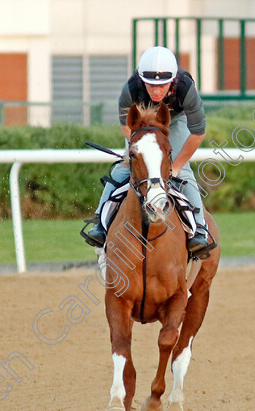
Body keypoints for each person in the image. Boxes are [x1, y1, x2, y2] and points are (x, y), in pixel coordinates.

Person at [86, 46, 213, 256]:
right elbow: (126, 127)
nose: (156, 91)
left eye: (162, 85)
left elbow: (198, 133)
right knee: (122, 170)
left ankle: (199, 230)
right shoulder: (131, 88)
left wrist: (176, 165)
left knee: (183, 173)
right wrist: (141, 153)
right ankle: (99, 224)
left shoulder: (186, 87)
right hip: (142, 123)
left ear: (172, 81)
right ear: (141, 79)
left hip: (175, 121)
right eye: (150, 85)